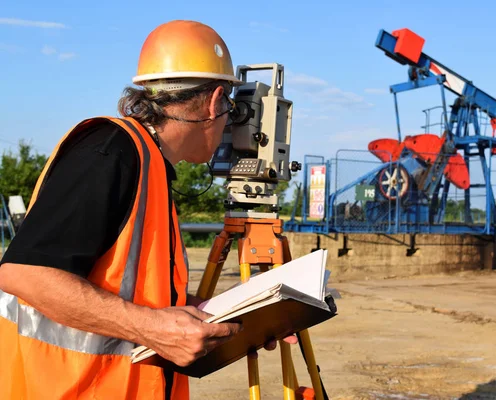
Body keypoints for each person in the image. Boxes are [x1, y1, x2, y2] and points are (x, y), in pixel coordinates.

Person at [0, 19, 294, 400]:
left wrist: (212, 317)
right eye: (231, 108)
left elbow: (123, 289)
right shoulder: (110, 152)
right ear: (215, 100)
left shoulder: (150, 166)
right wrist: (152, 327)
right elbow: (24, 273)